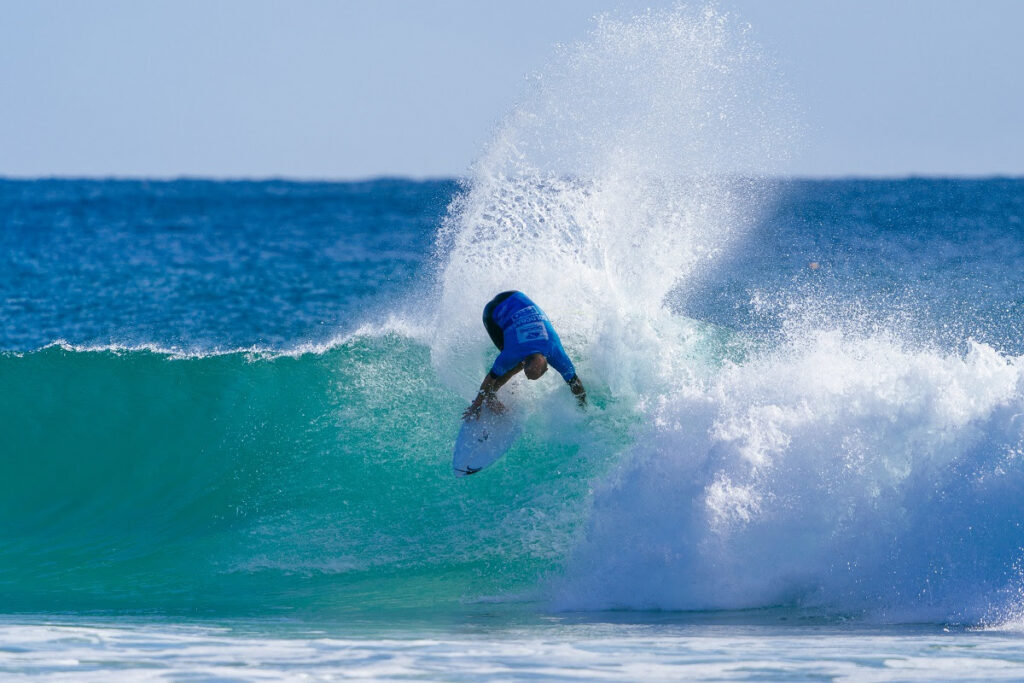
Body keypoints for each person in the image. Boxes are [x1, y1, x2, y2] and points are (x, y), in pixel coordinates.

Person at [463, 291, 586, 419]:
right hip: (492, 312)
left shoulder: (556, 352)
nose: (527, 378)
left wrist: (582, 404)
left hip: (516, 296)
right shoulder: (512, 353)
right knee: (513, 366)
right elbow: (490, 377)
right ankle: (491, 396)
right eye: (528, 374)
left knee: (517, 355)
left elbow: (574, 382)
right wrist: (477, 404)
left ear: (548, 365)